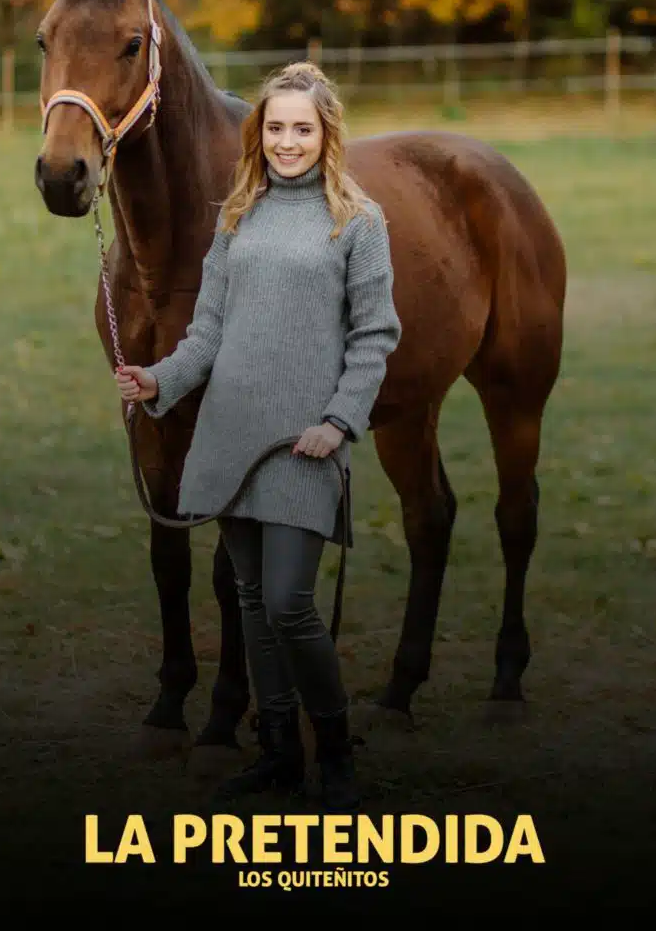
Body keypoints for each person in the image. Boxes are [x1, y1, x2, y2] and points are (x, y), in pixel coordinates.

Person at [114, 61, 401, 811]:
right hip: (229, 435)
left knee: (287, 603)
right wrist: (158, 382)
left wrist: (339, 422)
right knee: (248, 600)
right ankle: (278, 753)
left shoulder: (359, 222)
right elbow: (207, 332)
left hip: (303, 442)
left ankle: (333, 753)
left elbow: (375, 336)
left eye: (302, 129)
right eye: (275, 128)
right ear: (259, 134)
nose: (287, 142)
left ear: (326, 134)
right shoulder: (238, 215)